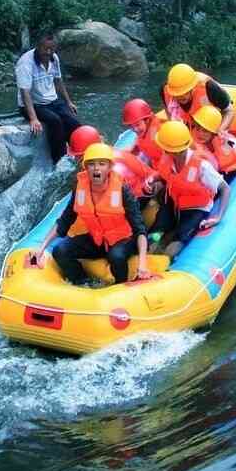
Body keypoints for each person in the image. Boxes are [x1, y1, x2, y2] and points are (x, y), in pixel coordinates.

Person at [34, 143, 150, 285]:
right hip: (97, 240)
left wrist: (142, 262)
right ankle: (84, 282)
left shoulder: (122, 190)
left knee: (116, 256)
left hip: (123, 239)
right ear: (86, 168)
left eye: (102, 164)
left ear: (109, 168)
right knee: (60, 250)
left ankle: (121, 286)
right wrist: (41, 248)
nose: (96, 168)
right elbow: (65, 220)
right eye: (91, 164)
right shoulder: (79, 189)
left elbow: (139, 228)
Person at [148, 120, 230, 260]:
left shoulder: (201, 166)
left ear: (175, 150)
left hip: (197, 208)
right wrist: (153, 180)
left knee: (179, 240)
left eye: (166, 149)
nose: (163, 151)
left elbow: (225, 189)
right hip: (175, 202)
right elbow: (164, 175)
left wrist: (219, 216)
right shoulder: (167, 158)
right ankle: (150, 252)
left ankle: (168, 259)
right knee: (156, 232)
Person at [16, 33, 82, 163]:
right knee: (55, 121)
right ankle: (59, 159)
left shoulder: (54, 58)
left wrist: (69, 102)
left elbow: (58, 81)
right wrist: (33, 118)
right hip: (31, 105)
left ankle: (80, 152)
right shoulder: (25, 63)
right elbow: (25, 93)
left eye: (51, 49)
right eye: (45, 48)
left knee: (73, 123)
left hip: (51, 101)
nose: (48, 52)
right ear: (37, 46)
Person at [163, 64, 235, 132]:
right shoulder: (166, 90)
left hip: (214, 115)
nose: (181, 96)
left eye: (185, 92)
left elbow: (230, 111)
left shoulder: (210, 87)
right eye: (177, 94)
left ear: (193, 87)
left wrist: (219, 131)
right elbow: (167, 110)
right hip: (191, 118)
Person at [189, 105, 236, 178]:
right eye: (198, 129)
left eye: (205, 131)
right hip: (220, 175)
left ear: (213, 133)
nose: (200, 134)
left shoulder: (224, 140)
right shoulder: (194, 144)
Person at [122, 98, 164, 166]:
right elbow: (141, 141)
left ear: (147, 120)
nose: (135, 129)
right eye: (131, 126)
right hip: (152, 158)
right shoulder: (145, 129)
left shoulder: (156, 135)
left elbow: (152, 144)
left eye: (137, 125)